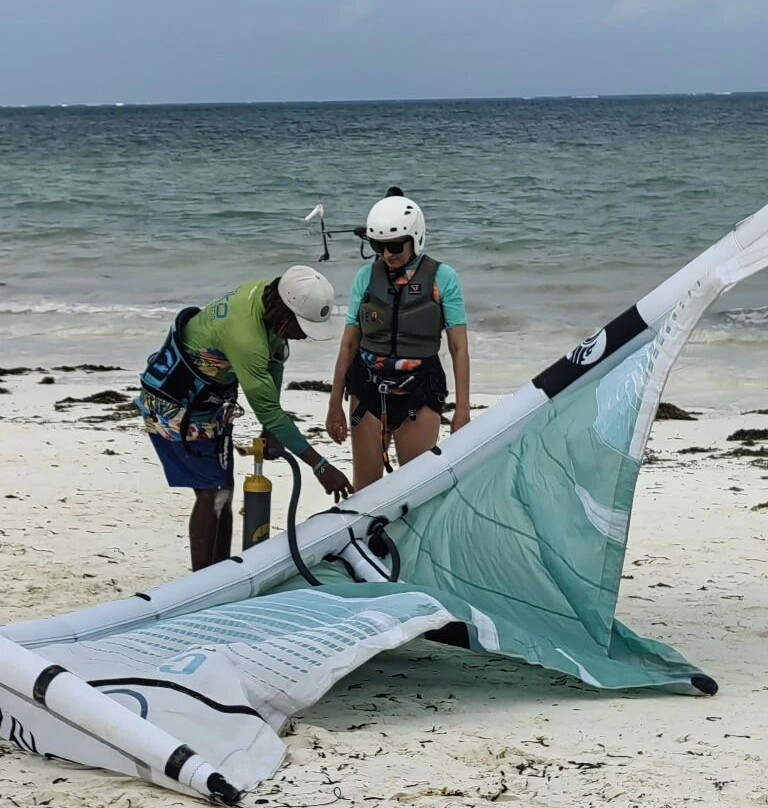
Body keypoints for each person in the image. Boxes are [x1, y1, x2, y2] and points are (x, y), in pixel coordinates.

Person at [137, 265, 354, 571]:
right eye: (302, 327)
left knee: (223, 488)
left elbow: (274, 363)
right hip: (173, 406)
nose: (303, 336)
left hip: (209, 402)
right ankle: (203, 582)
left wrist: (270, 429)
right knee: (213, 492)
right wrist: (320, 466)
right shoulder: (246, 338)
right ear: (286, 313)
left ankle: (221, 573)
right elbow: (269, 411)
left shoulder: (267, 301)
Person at [325, 194, 470, 490]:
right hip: (368, 388)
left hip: (419, 390)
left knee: (415, 488)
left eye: (394, 246)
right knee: (366, 490)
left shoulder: (443, 278)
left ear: (416, 237)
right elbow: (349, 344)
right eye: (378, 246)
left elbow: (459, 348)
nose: (387, 254)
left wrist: (463, 410)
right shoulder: (366, 277)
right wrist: (334, 404)